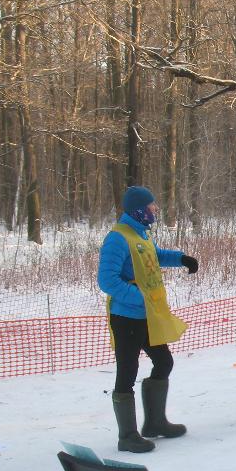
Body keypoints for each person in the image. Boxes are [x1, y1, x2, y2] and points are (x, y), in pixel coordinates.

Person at [98, 186, 198, 453]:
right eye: (152, 206)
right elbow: (107, 280)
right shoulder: (117, 238)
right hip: (127, 318)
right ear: (139, 209)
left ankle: (155, 423)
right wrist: (139, 297)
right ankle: (127, 436)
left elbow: (154, 256)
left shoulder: (139, 235)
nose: (155, 210)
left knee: (164, 361)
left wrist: (181, 258)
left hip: (148, 317)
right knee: (127, 371)